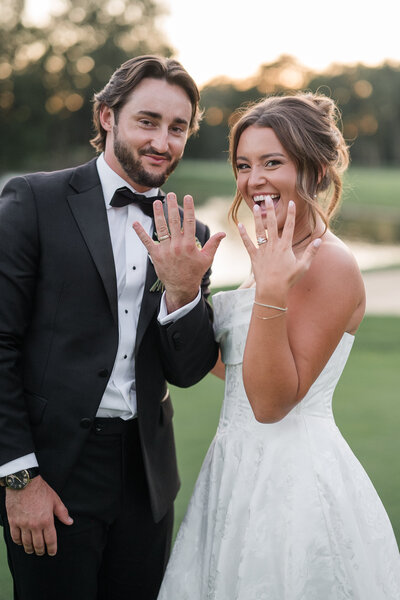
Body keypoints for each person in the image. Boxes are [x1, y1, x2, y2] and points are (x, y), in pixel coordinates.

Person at [157, 93, 400, 599]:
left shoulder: (329, 264)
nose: (253, 181)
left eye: (273, 162)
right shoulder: (275, 251)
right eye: (244, 165)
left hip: (290, 481)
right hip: (235, 465)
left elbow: (270, 404)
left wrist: (270, 291)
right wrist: (181, 292)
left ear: (315, 168)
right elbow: (240, 366)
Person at [0, 55, 225, 600]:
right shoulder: (33, 200)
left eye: (178, 128)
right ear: (107, 116)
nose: (163, 142)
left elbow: (188, 370)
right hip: (52, 470)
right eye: (148, 121)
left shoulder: (190, 229)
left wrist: (183, 291)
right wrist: (18, 479)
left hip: (147, 479)